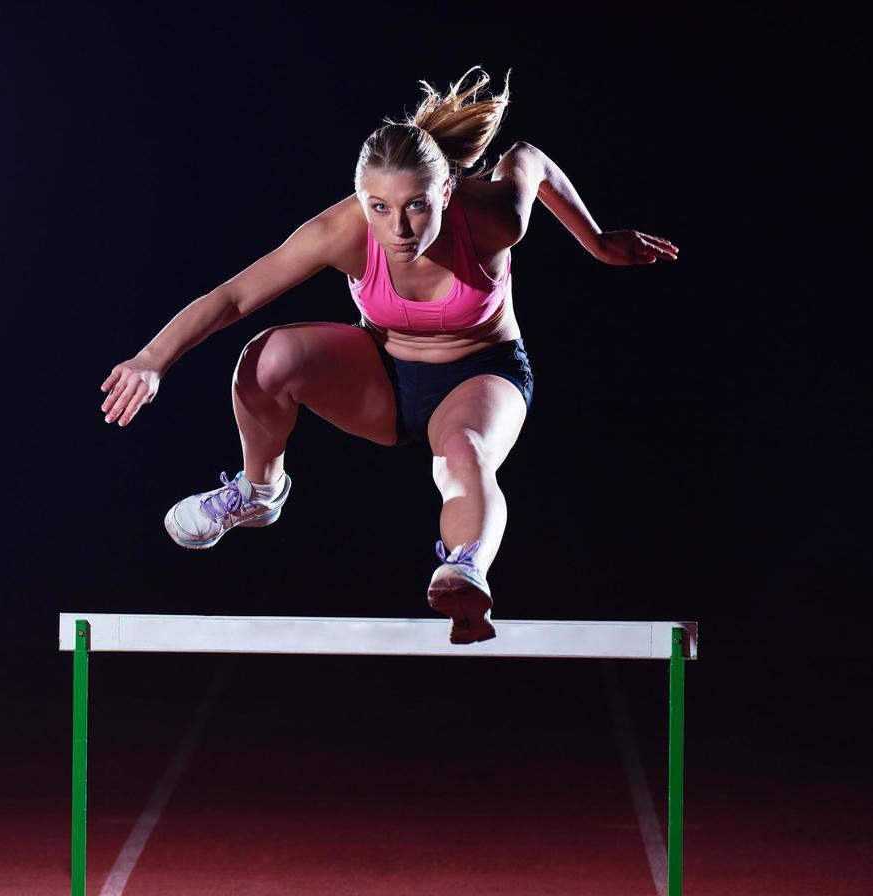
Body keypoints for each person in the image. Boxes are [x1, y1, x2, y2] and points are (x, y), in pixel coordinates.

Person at [99, 66, 678, 644]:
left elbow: (530, 158)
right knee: (267, 358)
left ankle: (466, 570)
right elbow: (233, 297)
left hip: (482, 372)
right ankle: (258, 492)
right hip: (380, 375)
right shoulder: (338, 232)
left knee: (464, 453)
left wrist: (598, 243)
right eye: (379, 208)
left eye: (417, 207)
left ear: (445, 193)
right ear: (361, 199)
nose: (399, 228)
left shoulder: (493, 218)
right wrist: (152, 359)